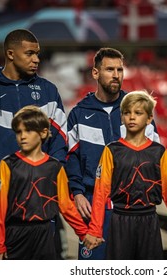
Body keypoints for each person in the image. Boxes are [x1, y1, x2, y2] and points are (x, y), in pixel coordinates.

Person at [0, 29, 67, 260]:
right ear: (10, 54)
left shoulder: (49, 92)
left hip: (39, 194)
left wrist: (51, 180)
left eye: (38, 54)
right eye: (30, 53)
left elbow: (60, 142)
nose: (36, 59)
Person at [65, 48, 159, 260]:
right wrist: (77, 193)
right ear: (96, 73)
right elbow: (71, 159)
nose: (116, 74)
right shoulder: (79, 114)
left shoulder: (137, 110)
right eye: (109, 69)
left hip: (132, 205)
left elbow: (156, 155)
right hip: (93, 204)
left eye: (119, 69)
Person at [83, 90, 167, 259]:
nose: (132, 117)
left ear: (149, 118)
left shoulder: (158, 152)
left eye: (138, 113)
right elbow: (101, 193)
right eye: (127, 113)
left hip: (149, 220)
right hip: (120, 220)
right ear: (121, 117)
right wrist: (95, 230)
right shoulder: (111, 151)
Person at [0, 106, 88, 259]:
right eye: (18, 132)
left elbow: (66, 205)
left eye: (28, 131)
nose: (22, 136)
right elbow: (0, 207)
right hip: (15, 234)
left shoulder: (55, 167)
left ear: (43, 133)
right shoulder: (8, 164)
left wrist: (83, 232)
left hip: (46, 233)